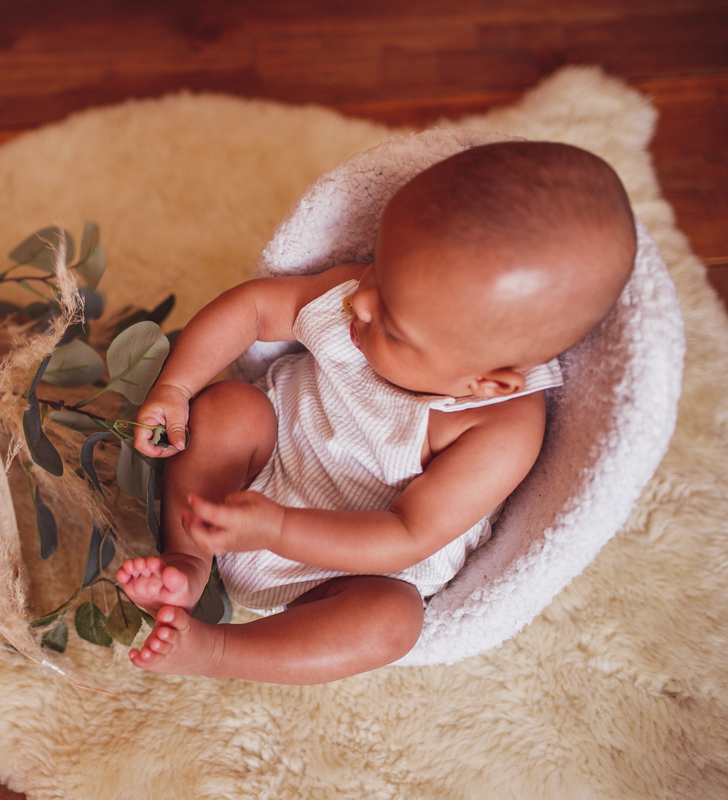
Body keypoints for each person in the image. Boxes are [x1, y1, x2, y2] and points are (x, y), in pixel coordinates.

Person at [115, 141, 637, 684]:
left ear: (486, 382)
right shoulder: (362, 296)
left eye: (392, 324)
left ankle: (218, 651)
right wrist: (176, 386)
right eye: (378, 269)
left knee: (392, 621)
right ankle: (188, 562)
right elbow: (252, 307)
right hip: (258, 469)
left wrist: (279, 529)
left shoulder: (499, 428)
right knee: (228, 408)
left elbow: (406, 533)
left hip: (350, 570)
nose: (359, 303)